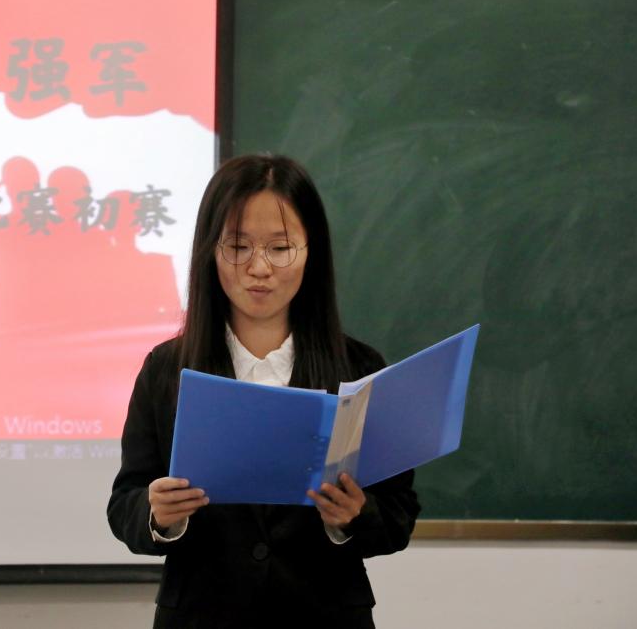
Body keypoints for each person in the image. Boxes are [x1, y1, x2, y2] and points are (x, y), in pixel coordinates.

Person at [107, 154, 420, 629]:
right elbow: (125, 502)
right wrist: (159, 515)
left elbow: (398, 514)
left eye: (280, 248)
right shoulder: (166, 369)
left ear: (311, 251)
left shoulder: (359, 370)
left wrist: (352, 517)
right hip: (202, 616)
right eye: (238, 246)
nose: (259, 267)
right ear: (210, 250)